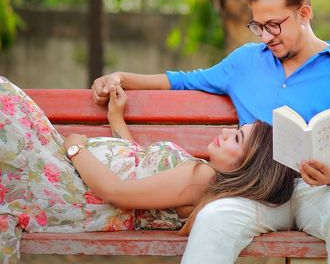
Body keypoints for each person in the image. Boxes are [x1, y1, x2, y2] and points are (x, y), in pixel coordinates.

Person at [92, 0, 330, 264]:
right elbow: (185, 81)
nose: (267, 36)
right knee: (213, 216)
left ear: (304, 13)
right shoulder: (246, 61)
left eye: (274, 25)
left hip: (320, 191)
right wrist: (121, 76)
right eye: (258, 26)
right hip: (259, 190)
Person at [0, 76, 296, 264]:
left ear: (247, 168)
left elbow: (117, 192)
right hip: (69, 173)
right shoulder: (201, 177)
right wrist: (117, 120)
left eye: (237, 138)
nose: (228, 131)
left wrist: (75, 149)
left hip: (67, 180)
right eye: (237, 128)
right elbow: (136, 164)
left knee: (5, 98)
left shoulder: (202, 178)